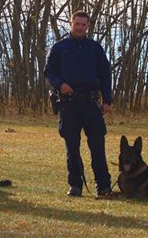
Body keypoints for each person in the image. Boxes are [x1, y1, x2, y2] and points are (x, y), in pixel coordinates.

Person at [43, 10, 113, 197]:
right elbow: (49, 72)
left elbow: (105, 75)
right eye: (77, 24)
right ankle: (75, 185)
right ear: (70, 23)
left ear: (87, 26)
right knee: (72, 147)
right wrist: (60, 84)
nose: (80, 27)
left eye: (84, 25)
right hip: (68, 104)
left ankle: (103, 186)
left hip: (91, 104)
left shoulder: (95, 48)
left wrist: (107, 100)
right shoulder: (59, 48)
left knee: (97, 146)